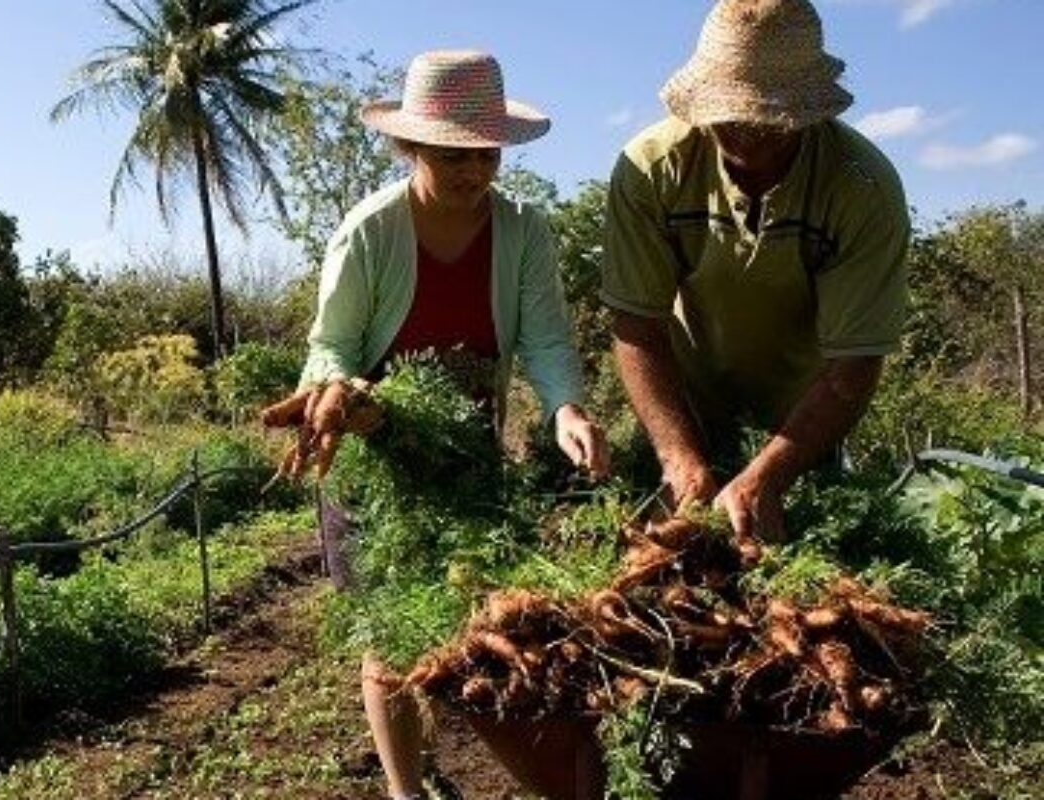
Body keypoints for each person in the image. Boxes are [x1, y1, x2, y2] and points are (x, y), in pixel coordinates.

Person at [275, 49, 608, 800]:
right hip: (371, 455)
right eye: (455, 154)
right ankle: (405, 789)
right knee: (389, 629)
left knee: (461, 619)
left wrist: (566, 407)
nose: (474, 170)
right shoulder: (371, 230)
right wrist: (341, 392)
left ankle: (440, 759)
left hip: (467, 453)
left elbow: (546, 339)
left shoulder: (523, 232)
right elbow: (331, 343)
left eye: (487, 153)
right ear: (410, 145)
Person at [601, 0, 909, 546]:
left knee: (801, 554)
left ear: (807, 111)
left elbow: (854, 363)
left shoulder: (861, 188)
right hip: (682, 400)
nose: (744, 132)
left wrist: (771, 474)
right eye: (729, 114)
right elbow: (637, 325)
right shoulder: (651, 168)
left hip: (800, 421)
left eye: (767, 120)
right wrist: (677, 456)